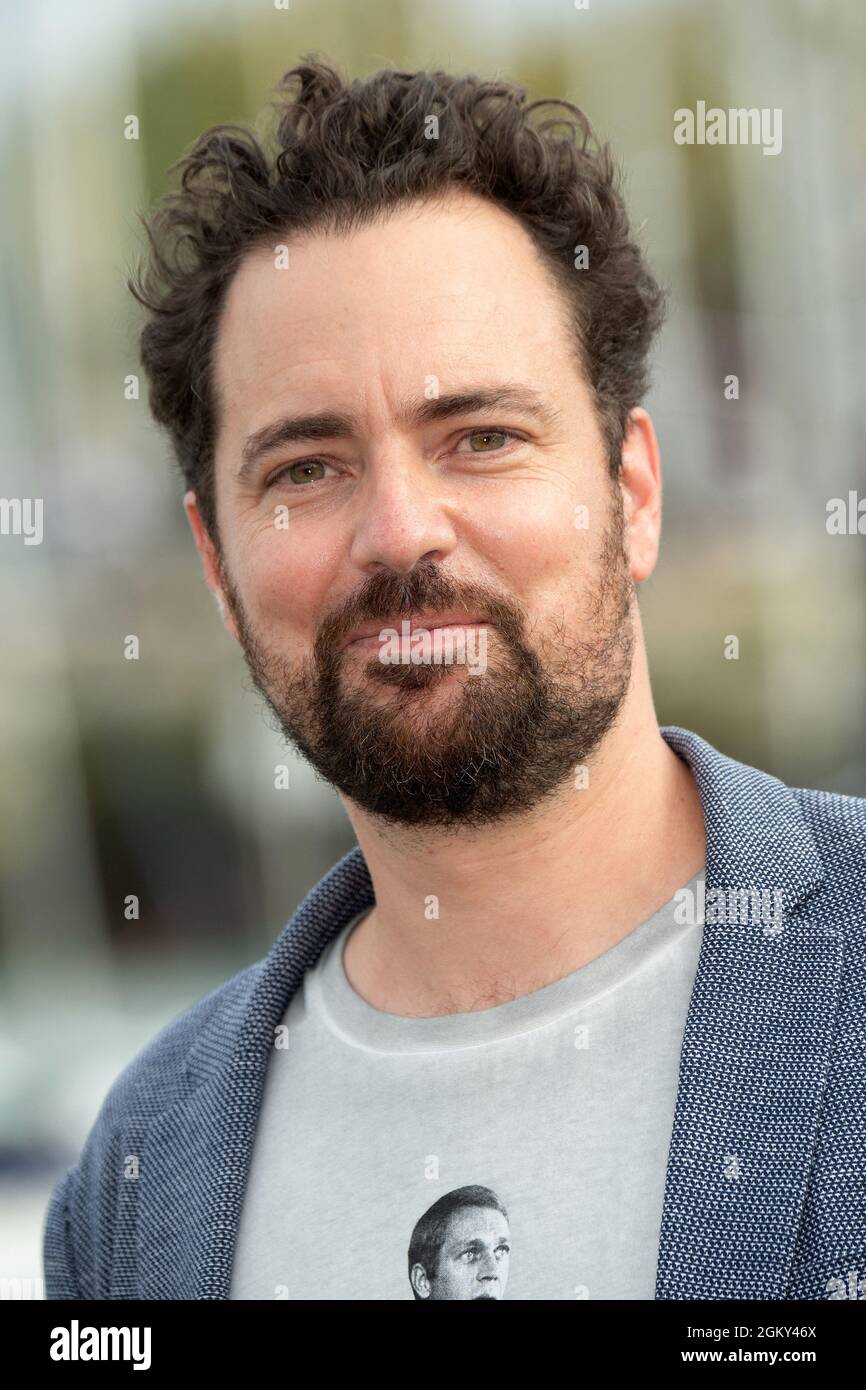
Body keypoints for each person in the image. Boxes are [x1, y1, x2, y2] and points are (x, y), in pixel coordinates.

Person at [43, 57, 865, 1301]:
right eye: (306, 468)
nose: (397, 533)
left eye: (480, 437)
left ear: (630, 491)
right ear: (215, 560)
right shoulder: (136, 1179)